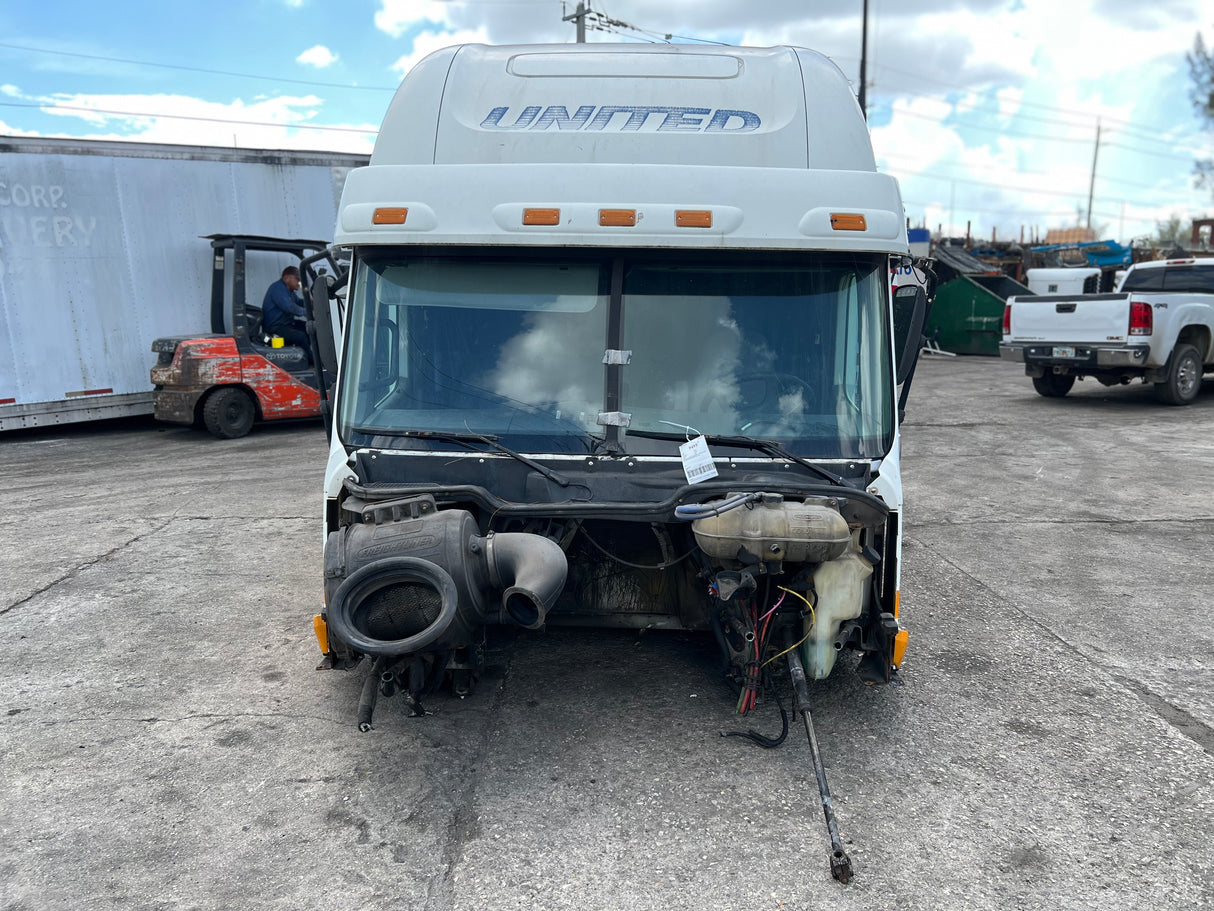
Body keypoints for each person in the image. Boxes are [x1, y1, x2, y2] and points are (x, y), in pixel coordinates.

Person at [261, 265, 311, 357]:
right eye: (297, 279)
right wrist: (308, 313)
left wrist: (311, 302)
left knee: (310, 329)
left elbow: (298, 302)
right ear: (286, 278)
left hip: (286, 324)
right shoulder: (277, 289)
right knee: (300, 336)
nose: (299, 283)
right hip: (275, 327)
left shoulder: (289, 291)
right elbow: (290, 307)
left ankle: (309, 355)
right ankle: (313, 361)